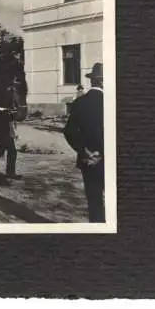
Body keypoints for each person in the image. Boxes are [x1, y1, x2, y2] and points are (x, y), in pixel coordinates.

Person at [63, 63, 105, 223]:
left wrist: (84, 151)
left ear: (92, 81)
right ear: (103, 82)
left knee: (94, 201)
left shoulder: (80, 102)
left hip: (89, 161)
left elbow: (69, 132)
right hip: (112, 159)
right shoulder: (114, 101)